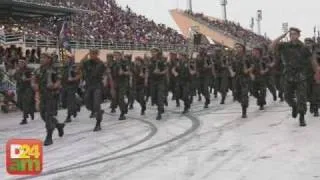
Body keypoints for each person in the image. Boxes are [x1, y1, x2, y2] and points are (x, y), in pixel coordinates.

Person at [271, 27, 312, 126]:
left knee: (301, 97)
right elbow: (272, 46)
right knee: (287, 96)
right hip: (288, 75)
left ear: (298, 35)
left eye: (295, 34)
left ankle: (301, 117)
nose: (292, 35)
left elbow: (311, 60)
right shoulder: (284, 46)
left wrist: (316, 72)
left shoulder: (303, 47)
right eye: (291, 34)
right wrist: (282, 36)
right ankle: (294, 106)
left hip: (300, 76)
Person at [35, 53, 65, 146]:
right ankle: (58, 125)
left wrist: (54, 86)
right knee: (43, 115)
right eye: (41, 58)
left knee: (48, 116)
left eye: (44, 58)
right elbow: (34, 80)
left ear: (49, 59)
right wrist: (34, 86)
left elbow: (59, 81)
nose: (41, 59)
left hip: (52, 96)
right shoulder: (39, 70)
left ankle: (49, 137)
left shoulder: (55, 69)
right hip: (43, 96)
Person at [81, 49, 105, 131]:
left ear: (96, 54)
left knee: (97, 104)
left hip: (97, 86)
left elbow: (104, 74)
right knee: (87, 102)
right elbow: (80, 64)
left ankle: (98, 124)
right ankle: (97, 111)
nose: (91, 55)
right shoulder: (87, 62)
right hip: (89, 86)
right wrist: (86, 55)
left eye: (93, 54)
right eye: (91, 54)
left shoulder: (101, 64)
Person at [14, 59, 35, 125]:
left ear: (24, 63)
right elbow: (15, 77)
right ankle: (30, 111)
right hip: (20, 88)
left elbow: (33, 77)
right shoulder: (17, 71)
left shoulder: (29, 70)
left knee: (25, 102)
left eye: (21, 63)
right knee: (19, 103)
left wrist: (27, 79)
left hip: (27, 88)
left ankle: (24, 118)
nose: (20, 64)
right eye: (19, 63)